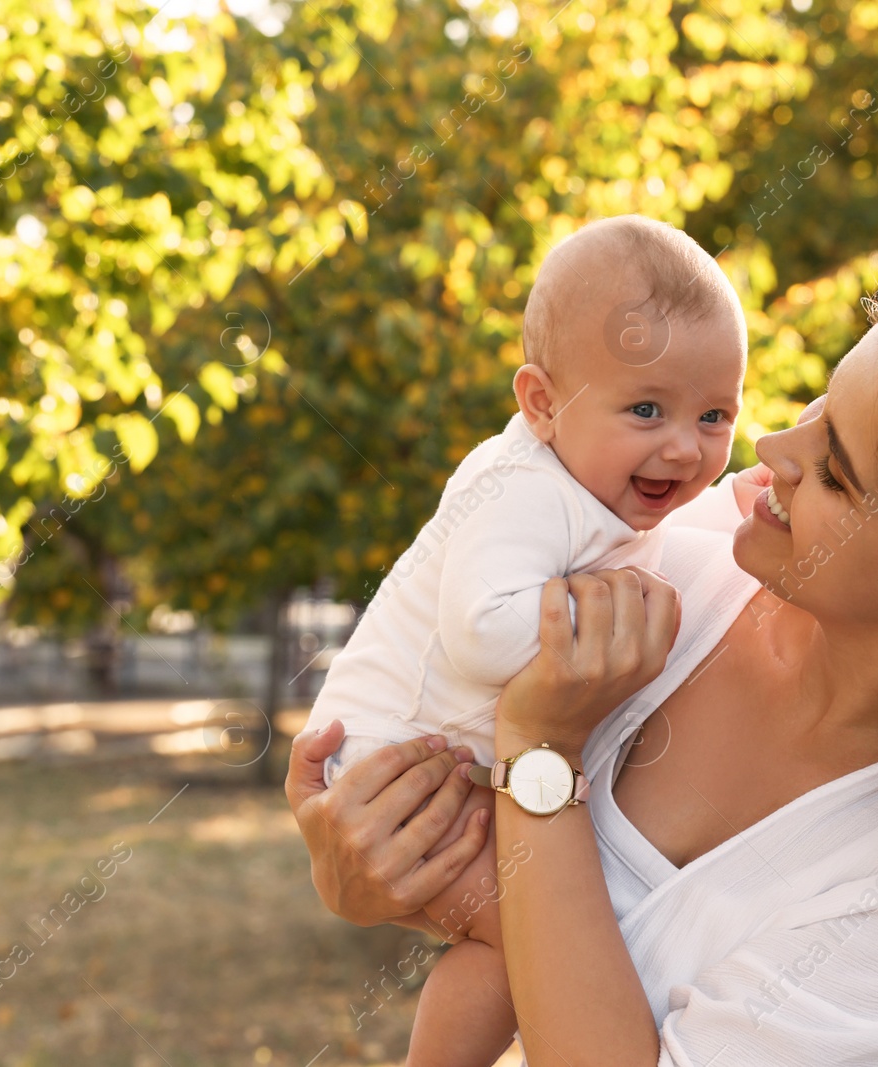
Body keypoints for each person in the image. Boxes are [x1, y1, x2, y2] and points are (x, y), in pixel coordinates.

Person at [287, 276, 878, 1066]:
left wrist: (541, 754)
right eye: (815, 408)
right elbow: (489, 884)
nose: (770, 453)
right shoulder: (681, 556)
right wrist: (367, 872)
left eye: (835, 471)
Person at [300, 214, 750, 1066]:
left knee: (530, 939)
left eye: (716, 413)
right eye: (647, 408)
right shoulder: (523, 491)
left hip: (456, 766)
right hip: (389, 765)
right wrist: (607, 613)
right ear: (542, 404)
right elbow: (480, 633)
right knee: (530, 946)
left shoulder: (607, 488)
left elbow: (705, 548)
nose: (686, 448)